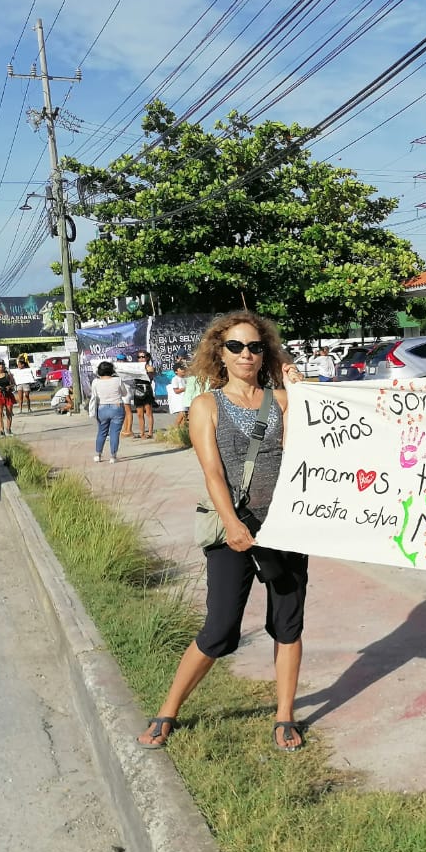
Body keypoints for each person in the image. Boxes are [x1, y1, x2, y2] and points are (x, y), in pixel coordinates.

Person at [138, 311, 308, 752]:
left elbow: (308, 451)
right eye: (236, 346)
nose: (246, 354)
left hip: (285, 526)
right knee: (219, 629)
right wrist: (232, 523)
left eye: (254, 346)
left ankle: (284, 716)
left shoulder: (285, 401)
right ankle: (169, 709)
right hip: (231, 528)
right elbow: (213, 473)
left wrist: (303, 388)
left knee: (287, 624)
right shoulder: (206, 406)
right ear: (221, 353)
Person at [89, 361, 130, 463]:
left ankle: (98, 455)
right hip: (117, 407)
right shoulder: (118, 380)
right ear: (112, 370)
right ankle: (113, 456)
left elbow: (94, 395)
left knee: (102, 432)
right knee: (114, 433)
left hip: (102, 408)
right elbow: (124, 393)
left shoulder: (95, 382)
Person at [131, 351, 157, 438]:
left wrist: (146, 370)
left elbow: (150, 378)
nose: (141, 359)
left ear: (147, 358)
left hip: (146, 389)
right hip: (137, 389)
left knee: (148, 412)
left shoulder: (149, 367)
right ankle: (141, 432)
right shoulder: (134, 368)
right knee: (139, 413)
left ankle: (150, 432)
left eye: (143, 357)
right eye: (139, 357)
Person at [167, 360, 190, 428]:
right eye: (181, 369)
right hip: (179, 400)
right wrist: (185, 389)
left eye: (184, 369)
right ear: (176, 371)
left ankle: (181, 431)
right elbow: (176, 391)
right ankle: (175, 429)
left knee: (185, 416)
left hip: (185, 400)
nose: (183, 370)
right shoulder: (175, 379)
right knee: (182, 414)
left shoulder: (185, 379)